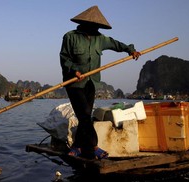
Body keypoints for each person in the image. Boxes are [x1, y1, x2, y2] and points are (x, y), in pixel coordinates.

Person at [60, 5, 141, 159]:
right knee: (84, 115)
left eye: (97, 26)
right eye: (93, 25)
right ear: (85, 23)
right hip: (74, 83)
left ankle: (77, 146)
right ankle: (94, 146)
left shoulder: (100, 39)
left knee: (86, 116)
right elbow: (64, 58)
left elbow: (116, 44)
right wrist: (74, 70)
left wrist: (130, 50)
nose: (96, 28)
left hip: (92, 82)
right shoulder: (70, 37)